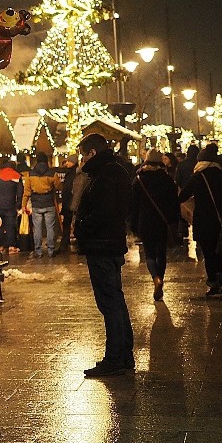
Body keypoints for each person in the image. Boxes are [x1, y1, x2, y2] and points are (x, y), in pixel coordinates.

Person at [74, 133, 133, 378]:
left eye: (82, 155)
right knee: (114, 301)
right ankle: (123, 356)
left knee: (110, 302)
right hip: (108, 244)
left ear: (92, 153)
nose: (81, 160)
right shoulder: (112, 170)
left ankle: (115, 358)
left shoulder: (106, 174)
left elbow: (104, 212)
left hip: (102, 245)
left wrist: (81, 227)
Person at [178, 144, 222, 295]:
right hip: (220, 217)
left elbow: (182, 196)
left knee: (208, 251)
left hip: (203, 219)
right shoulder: (221, 174)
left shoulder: (198, 176)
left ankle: (213, 281)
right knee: (219, 249)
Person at [130, 150, 180, 301]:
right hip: (162, 221)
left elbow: (133, 204)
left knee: (149, 254)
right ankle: (161, 279)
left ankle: (155, 278)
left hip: (145, 221)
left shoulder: (138, 179)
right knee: (161, 253)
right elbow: (174, 202)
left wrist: (133, 224)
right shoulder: (166, 179)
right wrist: (173, 220)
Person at [22, 152, 61, 258]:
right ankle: (51, 250)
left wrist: (23, 205)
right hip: (49, 203)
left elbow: (26, 192)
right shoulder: (52, 173)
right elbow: (58, 186)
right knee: (50, 228)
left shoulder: (30, 174)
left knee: (37, 229)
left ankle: (38, 251)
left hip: (36, 204)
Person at [0, 159, 22, 254]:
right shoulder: (16, 175)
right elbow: (20, 192)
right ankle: (11, 247)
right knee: (10, 225)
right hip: (10, 204)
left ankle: (0, 246)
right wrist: (18, 205)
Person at [58, 155, 78, 252]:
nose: (66, 163)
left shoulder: (73, 173)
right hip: (70, 203)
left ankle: (64, 246)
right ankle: (64, 245)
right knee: (69, 225)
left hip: (70, 203)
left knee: (69, 225)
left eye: (68, 161)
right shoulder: (72, 172)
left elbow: (68, 189)